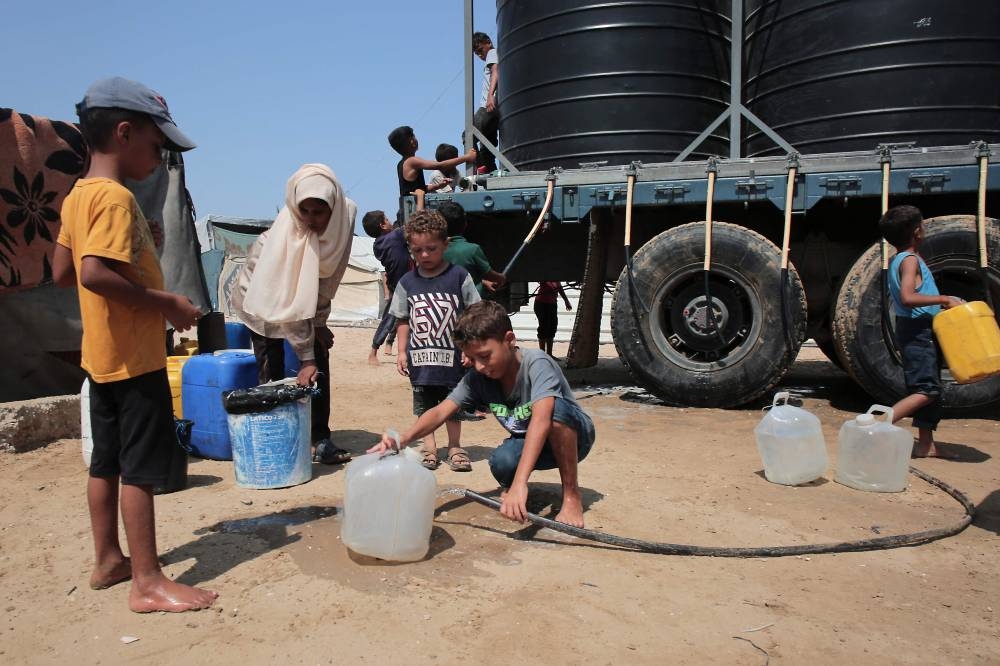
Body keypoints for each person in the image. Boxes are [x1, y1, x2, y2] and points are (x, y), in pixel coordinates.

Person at [51, 77, 217, 612]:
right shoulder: (115, 198)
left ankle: (107, 560)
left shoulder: (79, 197)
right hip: (135, 360)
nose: (159, 156)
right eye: (155, 145)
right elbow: (95, 274)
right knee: (141, 470)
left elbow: (63, 271)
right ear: (124, 132)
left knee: (106, 464)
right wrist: (166, 302)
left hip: (99, 361)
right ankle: (147, 581)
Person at [369, 301, 595, 527]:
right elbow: (440, 411)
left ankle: (571, 496)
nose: (478, 366)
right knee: (501, 462)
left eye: (485, 356)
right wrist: (403, 439)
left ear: (509, 340)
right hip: (530, 438)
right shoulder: (478, 379)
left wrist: (520, 483)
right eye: (472, 358)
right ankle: (514, 491)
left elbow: (541, 420)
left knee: (556, 410)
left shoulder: (536, 363)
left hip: (574, 437)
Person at [231, 164, 356, 465]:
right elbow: (290, 305)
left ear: (333, 209)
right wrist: (306, 357)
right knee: (271, 372)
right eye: (305, 211)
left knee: (318, 370)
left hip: (306, 310)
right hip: (261, 304)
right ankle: (277, 440)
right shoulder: (277, 241)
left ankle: (319, 439)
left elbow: (325, 285)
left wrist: (319, 327)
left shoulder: (341, 226)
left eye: (319, 212)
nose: (311, 220)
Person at [389, 210, 481, 471]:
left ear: (445, 245)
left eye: (431, 248)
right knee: (425, 404)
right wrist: (401, 351)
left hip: (453, 357)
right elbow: (402, 319)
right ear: (410, 249)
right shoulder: (407, 282)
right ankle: (430, 448)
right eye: (417, 250)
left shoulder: (459, 277)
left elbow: (474, 314)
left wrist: (470, 348)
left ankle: (454, 446)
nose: (425, 255)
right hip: (420, 359)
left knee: (452, 403)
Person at [879, 205, 965, 458]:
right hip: (918, 331)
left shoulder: (899, 259)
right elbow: (907, 297)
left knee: (930, 386)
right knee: (926, 390)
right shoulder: (910, 261)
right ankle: (874, 424)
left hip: (920, 329)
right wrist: (944, 299)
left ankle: (926, 444)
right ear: (917, 231)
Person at [363, 209, 411, 365]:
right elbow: (413, 222)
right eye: (387, 219)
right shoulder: (396, 236)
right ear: (382, 225)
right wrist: (419, 199)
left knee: (389, 318)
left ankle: (374, 351)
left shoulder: (377, 245)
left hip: (395, 284)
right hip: (406, 284)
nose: (390, 221)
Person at [438, 200, 506, 295]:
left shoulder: (433, 251)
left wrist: (483, 282)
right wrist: (501, 277)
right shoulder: (472, 250)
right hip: (470, 306)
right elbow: (490, 275)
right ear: (465, 224)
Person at [387, 126, 475, 197]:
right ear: (412, 141)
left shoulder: (402, 164)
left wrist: (437, 186)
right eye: (413, 136)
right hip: (413, 209)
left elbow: (415, 189)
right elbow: (440, 165)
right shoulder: (411, 161)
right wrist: (467, 157)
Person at [472, 32, 500, 174]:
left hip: (487, 106)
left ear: (488, 42)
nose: (480, 55)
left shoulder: (492, 53)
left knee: (468, 135)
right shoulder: (493, 54)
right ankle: (492, 176)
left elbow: (496, 71)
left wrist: (490, 96)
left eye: (480, 50)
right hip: (495, 108)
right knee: (486, 147)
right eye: (477, 54)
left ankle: (480, 166)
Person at [533, 281, 572, 356]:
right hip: (541, 304)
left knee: (552, 327)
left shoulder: (556, 279)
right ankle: (542, 354)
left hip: (552, 304)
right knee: (544, 327)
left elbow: (560, 289)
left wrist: (566, 301)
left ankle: (549, 354)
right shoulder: (545, 277)